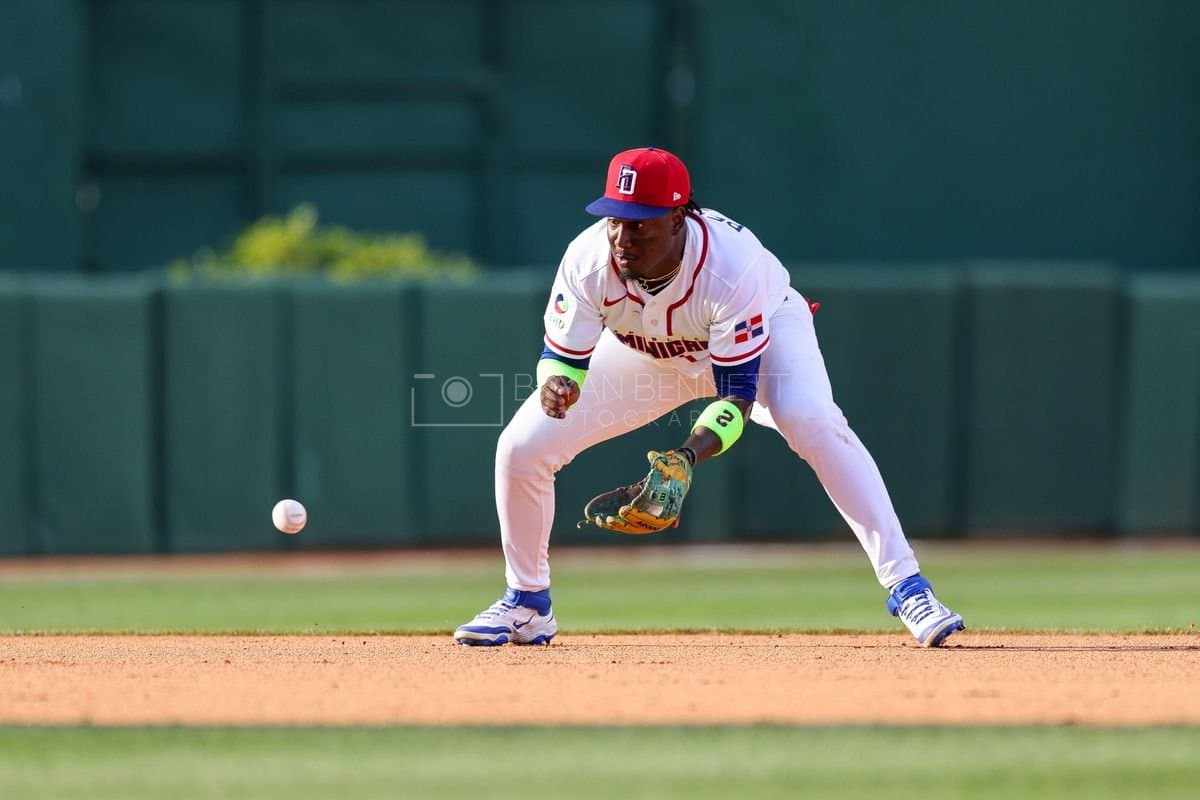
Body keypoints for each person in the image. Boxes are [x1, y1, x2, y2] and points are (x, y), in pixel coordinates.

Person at [454, 147, 964, 647]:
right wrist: (557, 384)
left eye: (639, 223)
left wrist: (684, 458)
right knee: (521, 448)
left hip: (765, 334)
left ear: (678, 218)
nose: (622, 237)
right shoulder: (588, 260)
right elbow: (563, 356)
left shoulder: (730, 266)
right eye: (615, 219)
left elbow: (736, 399)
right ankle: (527, 603)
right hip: (646, 355)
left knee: (809, 418)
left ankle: (908, 587)